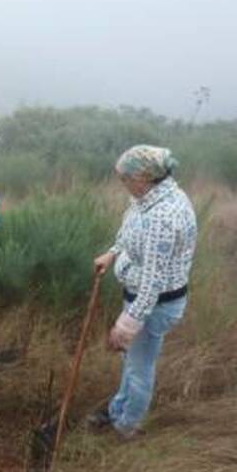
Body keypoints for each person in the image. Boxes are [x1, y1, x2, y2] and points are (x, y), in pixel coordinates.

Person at [89, 145, 197, 440]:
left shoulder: (163, 216)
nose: (122, 184)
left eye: (125, 179)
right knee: (133, 361)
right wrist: (112, 253)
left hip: (154, 304)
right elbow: (130, 230)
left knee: (139, 368)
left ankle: (126, 426)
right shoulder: (149, 198)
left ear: (143, 177)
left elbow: (152, 282)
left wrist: (126, 325)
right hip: (142, 299)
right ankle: (118, 410)